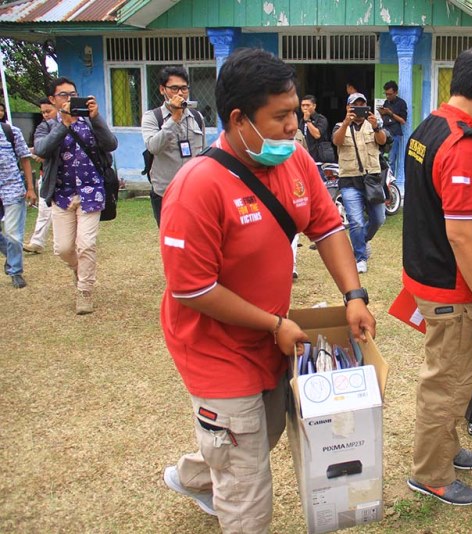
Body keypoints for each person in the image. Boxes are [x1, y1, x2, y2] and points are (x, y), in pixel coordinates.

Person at [159, 48, 376, 532]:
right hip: (215, 350)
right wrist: (274, 322)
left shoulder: (294, 159)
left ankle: (196, 474)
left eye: (294, 113)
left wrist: (354, 296)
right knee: (247, 486)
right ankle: (222, 473)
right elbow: (192, 290)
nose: (293, 128)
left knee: (265, 430)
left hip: (271, 337)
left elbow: (327, 227)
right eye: (280, 118)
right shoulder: (197, 188)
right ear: (239, 120)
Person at [402, 45, 472, 506]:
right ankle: (431, 473)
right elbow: (462, 234)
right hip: (451, 286)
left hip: (426, 273)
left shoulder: (429, 127)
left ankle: (445, 450)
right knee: (447, 382)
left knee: (450, 375)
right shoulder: (462, 146)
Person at [35, 77, 118, 315]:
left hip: (91, 192)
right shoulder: (47, 126)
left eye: (73, 94)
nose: (70, 99)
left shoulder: (90, 123)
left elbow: (111, 144)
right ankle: (80, 270)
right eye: (64, 95)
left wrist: (97, 118)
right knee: (62, 248)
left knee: (86, 244)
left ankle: (85, 291)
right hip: (61, 194)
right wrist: (64, 124)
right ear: (53, 99)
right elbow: (41, 149)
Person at [142, 66, 206, 227]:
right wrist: (174, 119)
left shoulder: (197, 117)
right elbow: (153, 147)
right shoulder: (152, 117)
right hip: (165, 192)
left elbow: (202, 154)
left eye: (184, 88)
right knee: (172, 240)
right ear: (162, 89)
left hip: (195, 191)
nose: (180, 93)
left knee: (196, 237)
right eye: (174, 88)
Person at [332, 92, 387, 274]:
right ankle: (360, 258)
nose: (359, 108)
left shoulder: (373, 125)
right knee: (355, 221)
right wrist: (347, 122)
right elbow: (336, 141)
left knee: (379, 218)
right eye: (355, 105)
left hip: (371, 180)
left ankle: (360, 242)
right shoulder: (340, 126)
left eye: (362, 104)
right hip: (349, 181)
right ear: (348, 108)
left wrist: (377, 127)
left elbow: (383, 142)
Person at [0, 111, 37, 288]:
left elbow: (25, 159)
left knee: (13, 234)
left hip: (12, 188)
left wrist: (30, 188)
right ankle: (11, 256)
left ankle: (15, 271)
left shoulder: (11, 132)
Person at [24, 98, 58, 254]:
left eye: (48, 111)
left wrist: (44, 155)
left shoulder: (67, 127)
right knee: (44, 210)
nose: (45, 115)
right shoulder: (41, 129)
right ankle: (37, 241)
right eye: (43, 112)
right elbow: (38, 148)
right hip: (46, 176)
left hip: (64, 179)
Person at [378, 80, 408, 178]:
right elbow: (385, 118)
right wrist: (382, 113)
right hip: (384, 132)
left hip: (395, 134)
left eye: (390, 94)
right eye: (386, 94)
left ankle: (390, 180)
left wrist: (390, 113)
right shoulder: (386, 102)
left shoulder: (401, 103)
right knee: (380, 157)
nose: (387, 96)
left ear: (395, 92)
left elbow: (403, 121)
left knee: (391, 159)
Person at [299, 95, 331, 176]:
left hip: (319, 159)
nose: (305, 108)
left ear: (314, 106)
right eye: (303, 105)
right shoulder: (301, 121)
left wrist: (308, 121)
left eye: (308, 105)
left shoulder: (321, 119)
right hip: (305, 159)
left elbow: (317, 135)